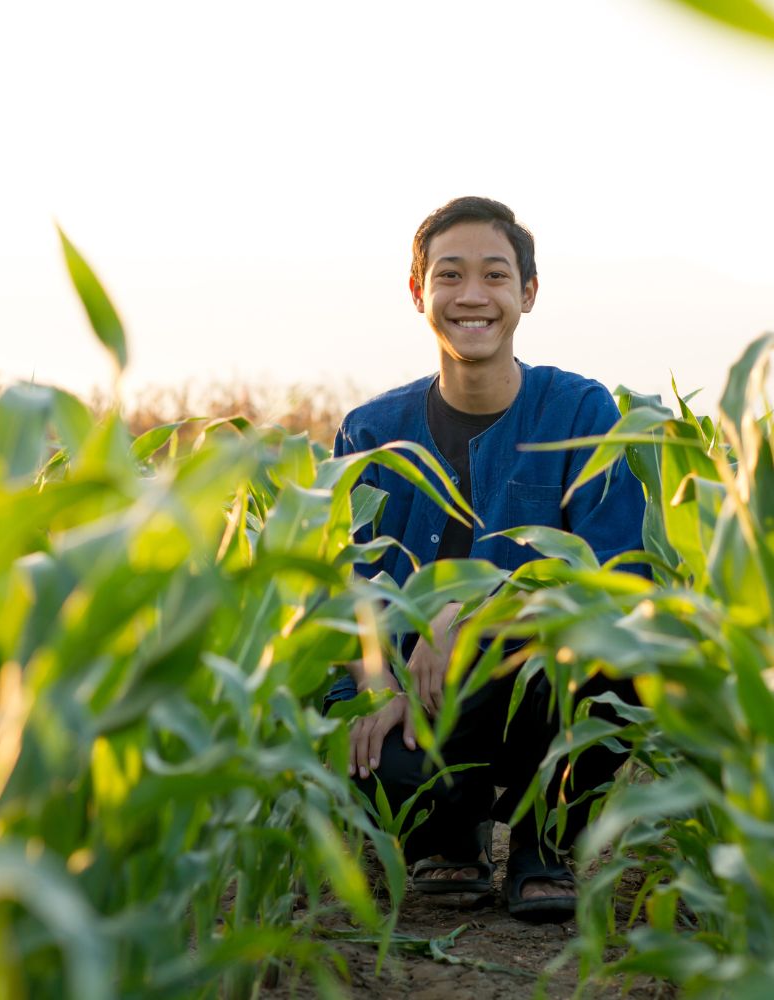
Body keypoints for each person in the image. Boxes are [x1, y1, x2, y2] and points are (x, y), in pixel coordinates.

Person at [328, 196, 647, 921]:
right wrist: (376, 685)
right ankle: (448, 837)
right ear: (419, 292)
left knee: (624, 669)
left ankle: (545, 840)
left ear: (527, 293)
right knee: (369, 750)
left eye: (495, 275)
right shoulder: (371, 432)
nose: (472, 295)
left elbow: (617, 581)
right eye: (450, 275)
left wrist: (472, 612)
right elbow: (349, 588)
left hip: (539, 684)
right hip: (415, 694)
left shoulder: (580, 413)